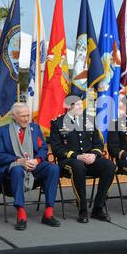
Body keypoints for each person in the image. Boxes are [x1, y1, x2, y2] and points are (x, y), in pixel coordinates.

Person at [0, 103, 61, 231]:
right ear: (14, 116)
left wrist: (37, 160)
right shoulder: (2, 131)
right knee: (17, 169)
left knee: (53, 168)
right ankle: (21, 213)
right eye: (23, 116)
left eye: (28, 115)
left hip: (34, 166)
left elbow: (43, 148)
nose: (26, 119)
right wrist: (18, 160)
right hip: (12, 169)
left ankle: (48, 212)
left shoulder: (35, 129)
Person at [50, 95, 116, 223]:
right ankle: (83, 209)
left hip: (90, 159)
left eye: (82, 104)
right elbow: (57, 149)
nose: (81, 107)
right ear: (69, 106)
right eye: (78, 104)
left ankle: (98, 207)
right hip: (69, 161)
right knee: (78, 167)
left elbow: (98, 143)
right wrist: (78, 156)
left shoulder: (90, 120)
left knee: (109, 166)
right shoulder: (57, 123)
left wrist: (94, 154)